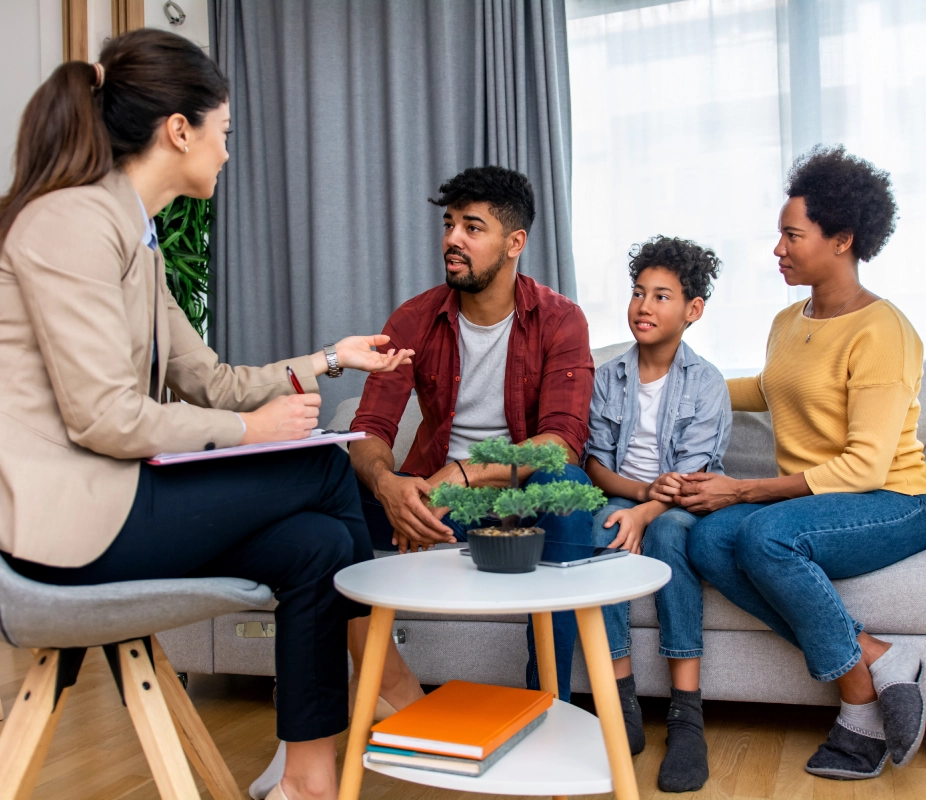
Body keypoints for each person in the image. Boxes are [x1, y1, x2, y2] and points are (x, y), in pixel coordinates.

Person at [0, 30, 421, 800]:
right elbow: (103, 417)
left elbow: (211, 381)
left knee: (317, 543)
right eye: (223, 134)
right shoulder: (68, 223)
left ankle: (307, 777)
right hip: (68, 535)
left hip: (119, 501)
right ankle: (393, 688)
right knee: (328, 468)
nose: (227, 154)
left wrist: (331, 359)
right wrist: (253, 434)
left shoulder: (137, 237)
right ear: (180, 129)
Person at [682, 146, 926, 781]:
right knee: (708, 541)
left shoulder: (884, 333)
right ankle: (876, 656)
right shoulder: (791, 319)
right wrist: (681, 375)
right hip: (820, 501)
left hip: (897, 501)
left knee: (764, 534)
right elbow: (769, 391)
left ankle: (856, 706)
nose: (779, 249)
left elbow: (865, 468)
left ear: (841, 239)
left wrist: (742, 490)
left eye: (793, 235)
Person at [347, 165, 596, 701]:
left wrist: (460, 475)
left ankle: (547, 702)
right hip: (433, 504)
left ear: (514, 242)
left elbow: (560, 441)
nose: (452, 239)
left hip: (512, 505)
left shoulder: (560, 320)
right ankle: (377, 689)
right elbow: (369, 428)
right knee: (321, 489)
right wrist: (391, 488)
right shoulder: (415, 318)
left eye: (473, 227)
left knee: (569, 490)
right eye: (449, 224)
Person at [585, 236, 730, 792]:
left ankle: (686, 715)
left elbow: (693, 481)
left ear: (693, 310)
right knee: (606, 527)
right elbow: (596, 463)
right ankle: (620, 702)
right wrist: (640, 495)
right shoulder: (607, 376)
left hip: (681, 504)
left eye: (662, 296)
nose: (644, 306)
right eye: (638, 292)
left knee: (669, 533)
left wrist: (651, 509)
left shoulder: (706, 382)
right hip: (627, 490)